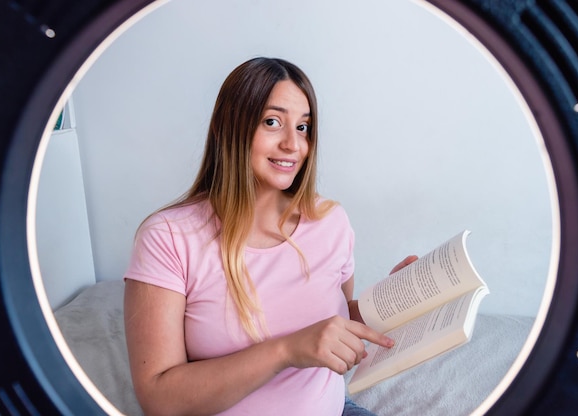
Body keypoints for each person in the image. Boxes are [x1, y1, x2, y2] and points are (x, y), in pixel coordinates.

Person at [123, 57, 417, 415]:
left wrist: (390, 303)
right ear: (227, 128)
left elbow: (334, 325)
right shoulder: (168, 238)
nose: (293, 145)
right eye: (273, 122)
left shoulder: (330, 221)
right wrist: (286, 350)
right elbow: (159, 399)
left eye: (304, 127)